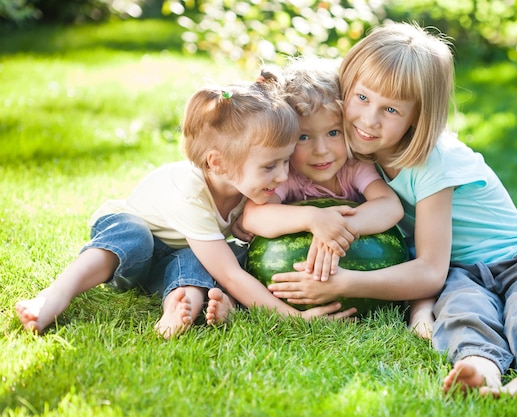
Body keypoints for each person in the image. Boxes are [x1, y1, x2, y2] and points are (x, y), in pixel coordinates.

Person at [267, 22, 517, 404]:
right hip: (459, 271)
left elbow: (429, 271)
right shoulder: (353, 157)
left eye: (391, 109)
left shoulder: (434, 161)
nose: (369, 119)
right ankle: (481, 369)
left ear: (418, 116)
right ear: (345, 90)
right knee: (463, 312)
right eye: (362, 98)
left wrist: (343, 283)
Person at [15, 76, 355, 339]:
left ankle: (179, 308)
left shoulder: (249, 184)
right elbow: (229, 274)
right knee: (136, 238)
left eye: (285, 162)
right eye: (271, 167)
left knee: (210, 257)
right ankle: (56, 295)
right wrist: (292, 317)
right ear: (218, 164)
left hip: (175, 254)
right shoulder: (188, 192)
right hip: (127, 244)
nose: (283, 176)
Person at [242, 57, 405, 287]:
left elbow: (389, 205)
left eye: (333, 133)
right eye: (304, 137)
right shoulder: (287, 176)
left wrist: (340, 227)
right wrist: (312, 219)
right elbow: (252, 216)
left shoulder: (353, 166)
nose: (321, 150)